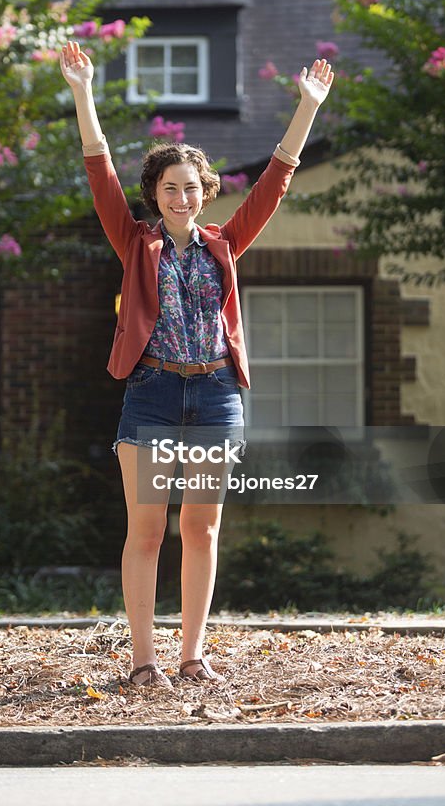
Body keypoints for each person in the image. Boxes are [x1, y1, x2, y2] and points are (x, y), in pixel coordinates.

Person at [60, 39, 334, 688]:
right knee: (148, 531)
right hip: (152, 393)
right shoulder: (134, 240)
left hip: (214, 396)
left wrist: (307, 107)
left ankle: (191, 656)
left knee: (201, 529)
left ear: (204, 192)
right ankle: (144, 661)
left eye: (191, 187)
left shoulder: (225, 242)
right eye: (168, 188)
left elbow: (276, 179)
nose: (181, 196)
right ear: (154, 195)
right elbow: (99, 169)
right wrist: (82, 92)